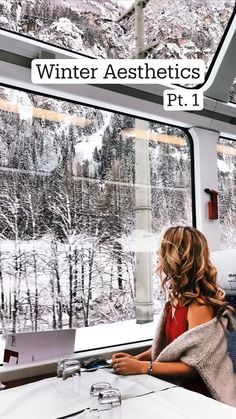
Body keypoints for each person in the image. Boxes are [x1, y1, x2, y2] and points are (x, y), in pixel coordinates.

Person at [112, 226, 236, 407]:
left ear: (175, 258)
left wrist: (143, 368)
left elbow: (196, 367)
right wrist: (137, 359)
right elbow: (171, 349)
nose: (157, 256)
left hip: (204, 395)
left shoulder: (198, 306)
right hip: (176, 387)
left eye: (161, 251)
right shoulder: (174, 301)